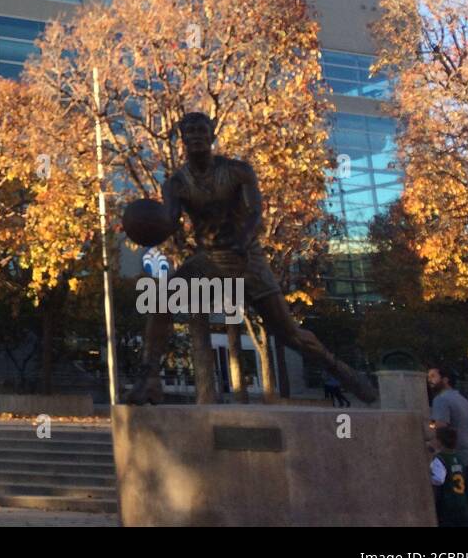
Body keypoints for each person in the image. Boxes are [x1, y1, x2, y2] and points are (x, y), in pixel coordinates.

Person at [126, 112, 377, 404]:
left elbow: (255, 212)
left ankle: (342, 371)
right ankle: (150, 378)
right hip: (210, 260)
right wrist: (145, 223)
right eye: (188, 131)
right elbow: (169, 221)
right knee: (161, 298)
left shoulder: (237, 171)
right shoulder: (176, 184)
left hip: (247, 260)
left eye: (200, 130)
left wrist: (243, 242)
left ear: (212, 134)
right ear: (182, 139)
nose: (195, 135)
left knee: (289, 335)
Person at [428, 366, 468, 525]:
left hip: (457, 459)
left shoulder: (441, 400)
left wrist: (431, 447)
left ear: (445, 379)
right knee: (464, 504)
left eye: (433, 376)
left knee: (455, 507)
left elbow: (441, 427)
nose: (429, 380)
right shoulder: (463, 400)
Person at [429, 424, 468, 527]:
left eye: (433, 438)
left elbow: (438, 479)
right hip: (462, 503)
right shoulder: (458, 459)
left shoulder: (440, 459)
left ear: (439, 442)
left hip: (448, 506)